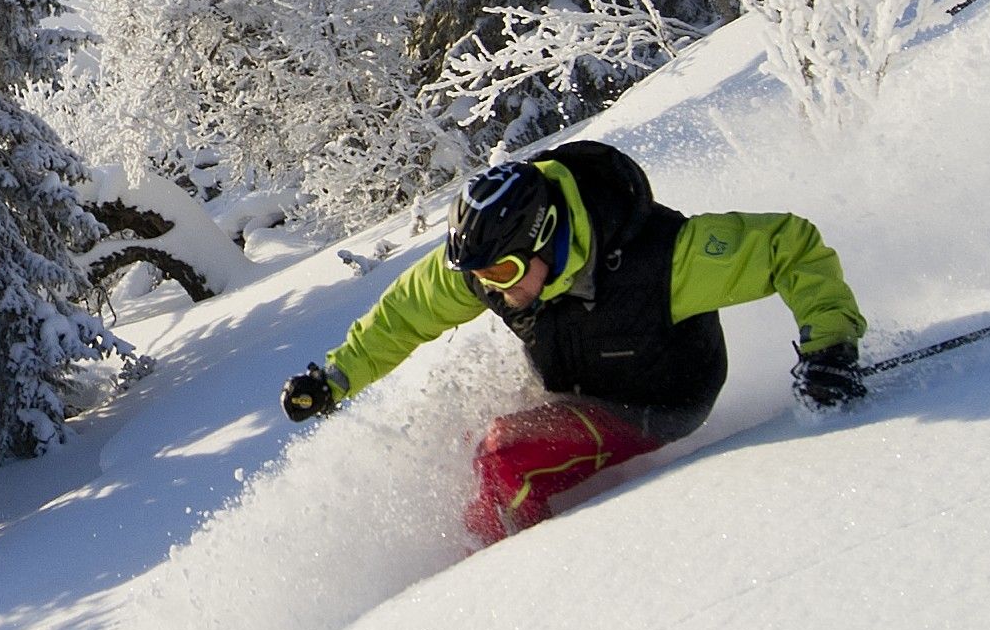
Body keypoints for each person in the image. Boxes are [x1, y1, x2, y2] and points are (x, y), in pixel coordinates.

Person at [281, 143, 868, 546]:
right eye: (483, 277)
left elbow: (790, 246)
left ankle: (511, 575)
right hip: (582, 389)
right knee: (462, 445)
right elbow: (404, 314)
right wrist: (334, 378)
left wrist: (830, 346)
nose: (491, 289)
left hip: (662, 400)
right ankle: (472, 545)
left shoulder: (663, 259)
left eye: (505, 273)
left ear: (547, 242)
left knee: (503, 458)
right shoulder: (493, 274)